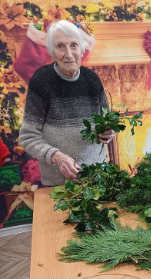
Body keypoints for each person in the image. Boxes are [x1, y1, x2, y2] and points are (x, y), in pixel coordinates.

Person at [19, 20, 114, 186]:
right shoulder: (41, 81)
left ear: (81, 49)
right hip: (58, 183)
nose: (68, 54)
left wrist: (108, 133)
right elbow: (28, 137)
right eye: (60, 46)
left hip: (98, 176)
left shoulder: (93, 80)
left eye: (74, 45)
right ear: (53, 52)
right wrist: (57, 157)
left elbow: (106, 123)